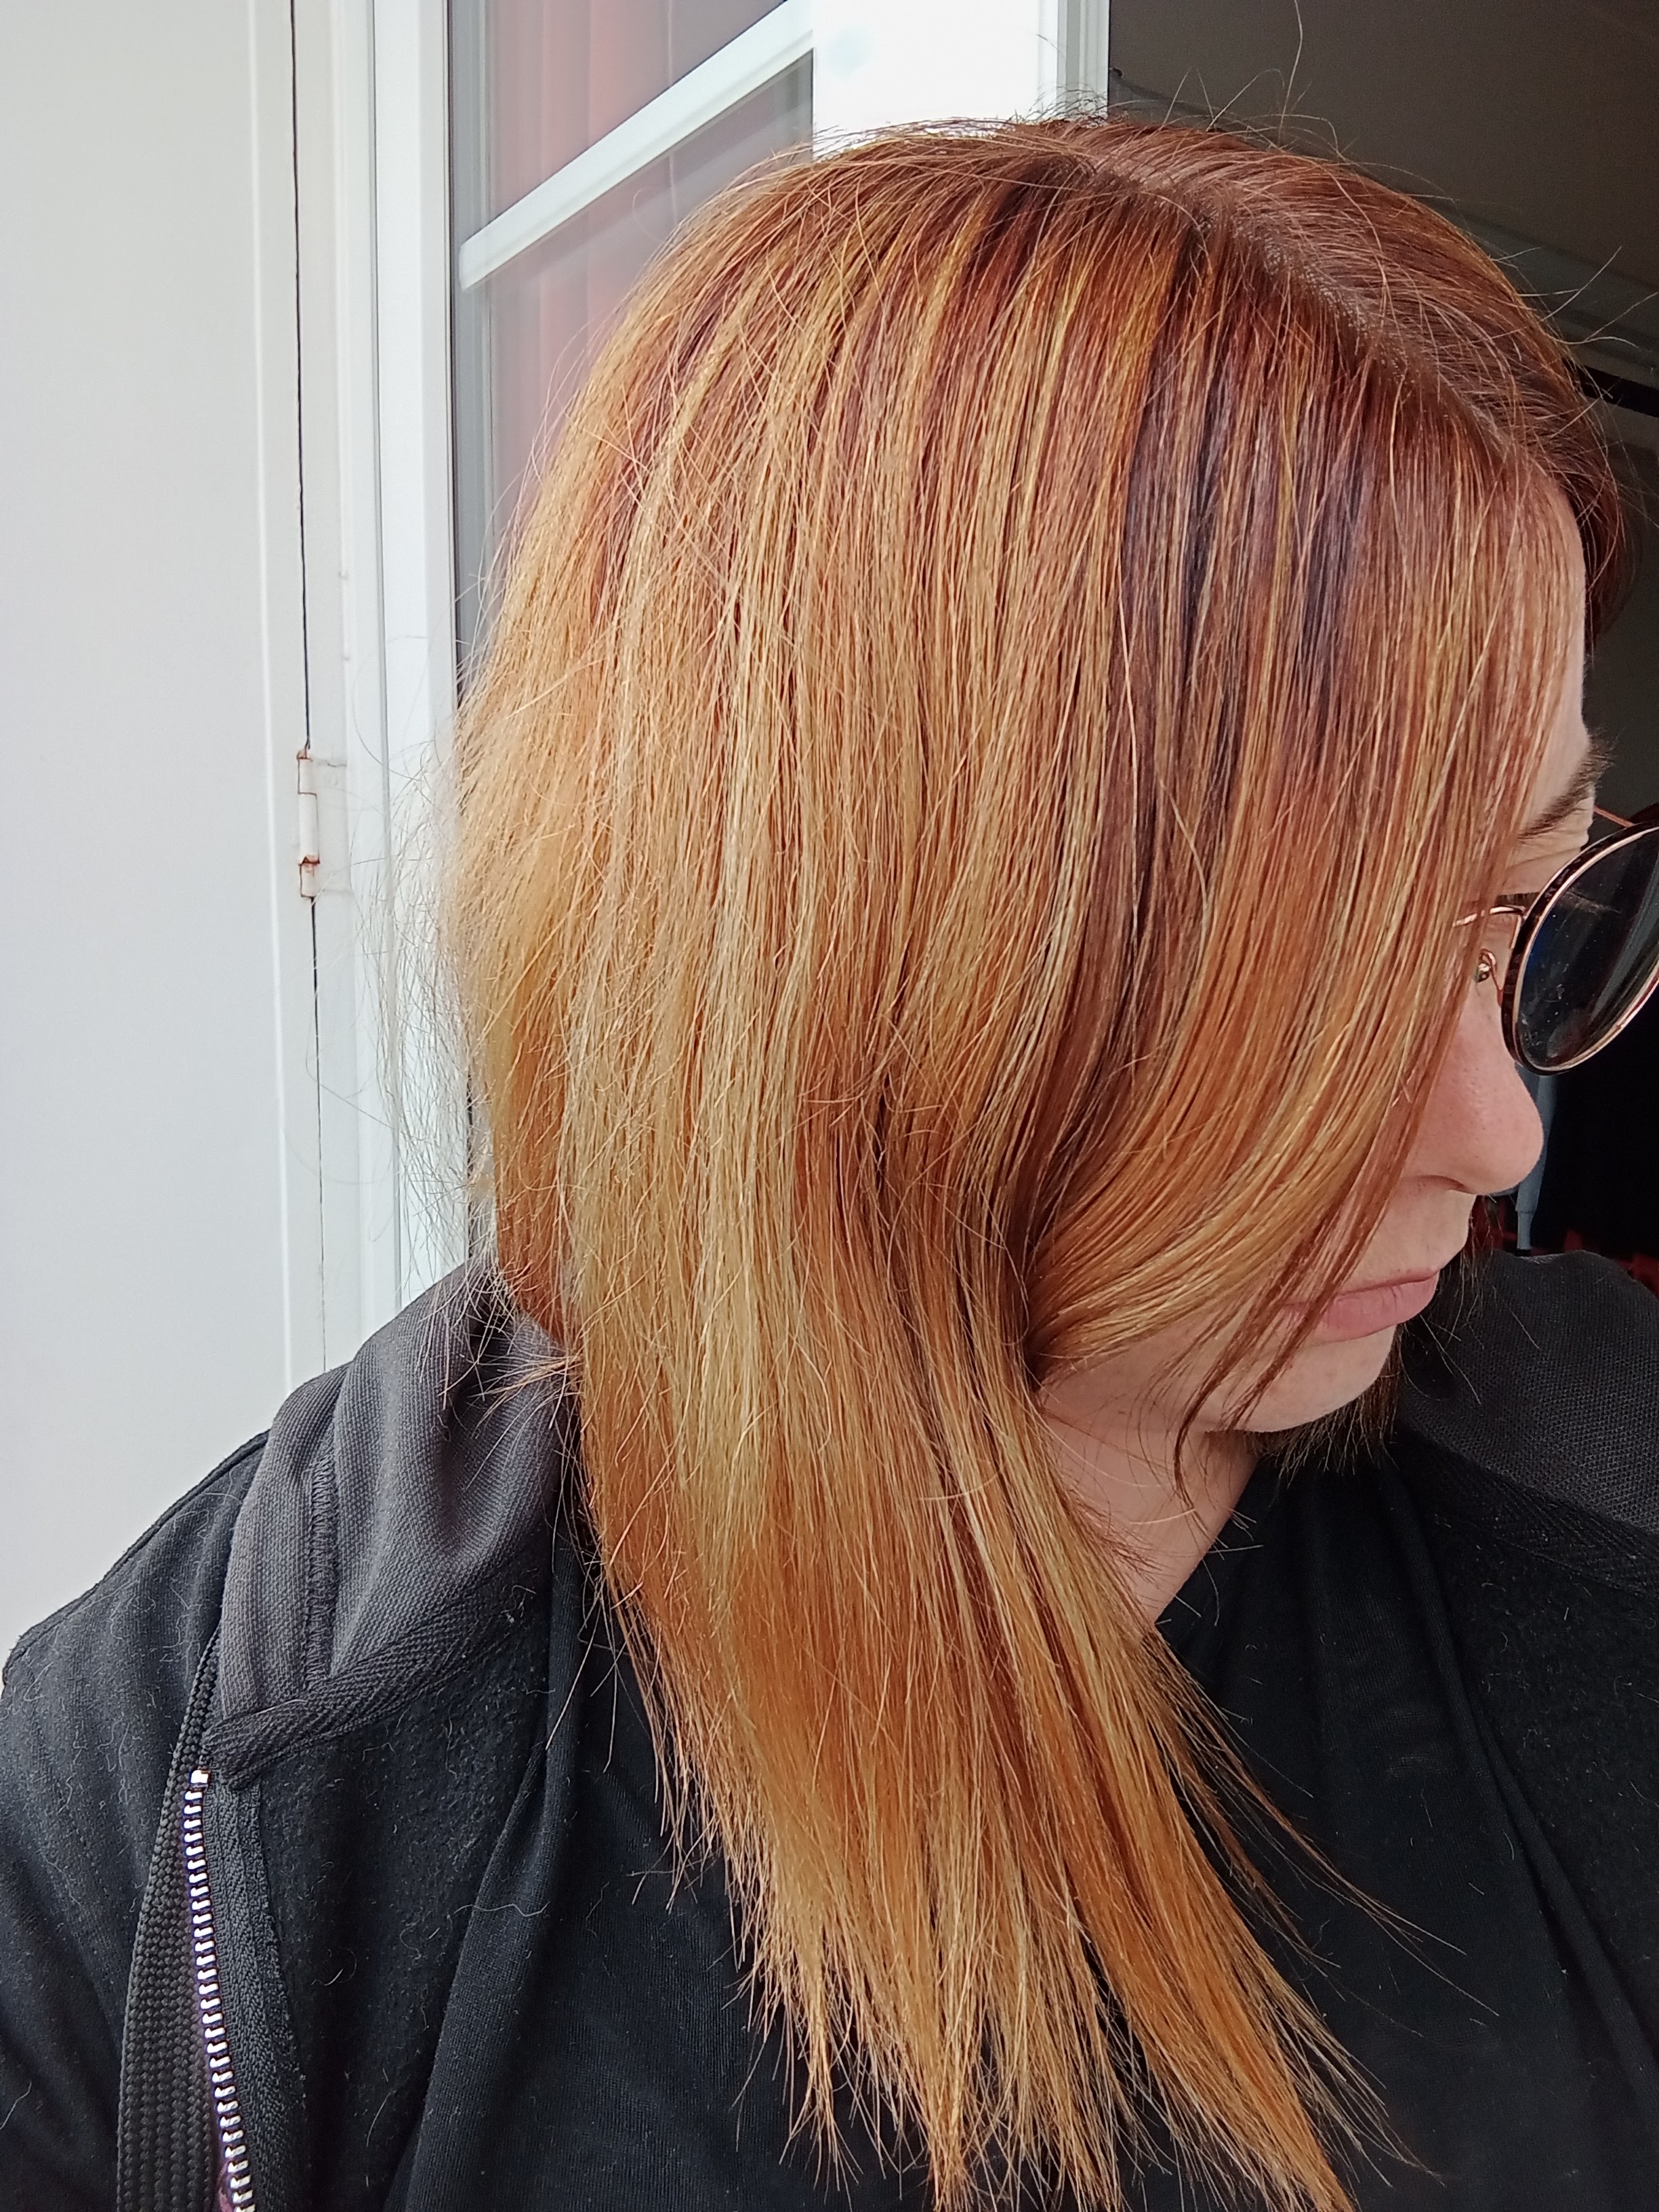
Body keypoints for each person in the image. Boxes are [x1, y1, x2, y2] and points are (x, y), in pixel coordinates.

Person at [3, 116, 1659, 2212]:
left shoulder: (1607, 1530)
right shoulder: (217, 1786)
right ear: (853, 956)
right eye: (1308, 983)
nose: (1500, 1133)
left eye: (1525, 909)